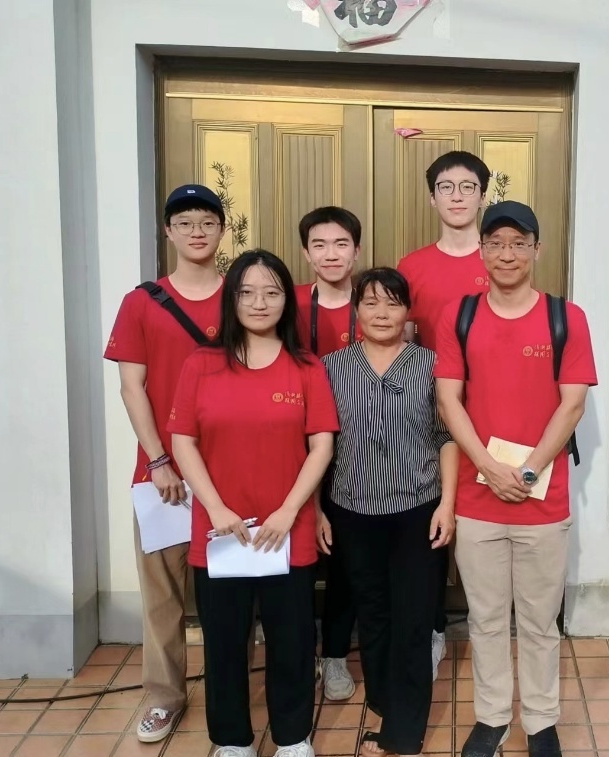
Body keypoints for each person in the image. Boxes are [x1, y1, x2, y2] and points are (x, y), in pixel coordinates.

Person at [435, 202, 597, 757]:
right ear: (482, 251)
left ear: (536, 250)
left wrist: (526, 472)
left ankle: (542, 720)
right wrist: (487, 466)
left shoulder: (565, 317)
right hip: (478, 498)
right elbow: (448, 400)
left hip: (543, 500)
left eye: (519, 243)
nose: (507, 254)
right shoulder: (459, 315)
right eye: (496, 243)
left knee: (538, 620)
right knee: (484, 618)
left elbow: (572, 406)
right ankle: (492, 717)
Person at [169, 250, 339, 757]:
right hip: (222, 532)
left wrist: (288, 511)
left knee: (292, 641)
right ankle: (232, 741)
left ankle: (292, 738)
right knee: (224, 643)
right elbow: (183, 442)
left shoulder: (306, 367)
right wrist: (216, 508)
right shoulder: (201, 364)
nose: (259, 302)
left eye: (271, 292)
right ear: (232, 299)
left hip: (288, 530)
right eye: (246, 292)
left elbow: (322, 446)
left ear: (287, 300)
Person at [104, 184, 226, 743]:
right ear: (168, 231)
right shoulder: (142, 302)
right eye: (185, 222)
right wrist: (158, 459)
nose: (197, 231)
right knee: (162, 596)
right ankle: (163, 697)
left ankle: (230, 694)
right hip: (164, 477)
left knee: (231, 592)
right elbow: (132, 387)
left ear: (222, 230)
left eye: (207, 221)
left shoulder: (242, 296)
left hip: (230, 473)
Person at [321, 267, 458, 757]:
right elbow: (317, 444)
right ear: (355, 309)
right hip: (351, 509)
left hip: (417, 509)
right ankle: (382, 698)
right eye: (371, 302)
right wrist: (317, 511)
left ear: (408, 311)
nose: (382, 313)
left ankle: (404, 731)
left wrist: (448, 503)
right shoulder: (330, 367)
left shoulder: (431, 365)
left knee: (414, 617)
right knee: (373, 612)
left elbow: (447, 436)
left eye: (393, 303)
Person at [397, 150, 492, 679]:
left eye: (467, 187)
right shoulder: (412, 266)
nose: (457, 197)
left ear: (483, 196)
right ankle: (433, 629)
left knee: (485, 527)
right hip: (429, 422)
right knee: (432, 526)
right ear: (432, 197)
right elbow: (404, 342)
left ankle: (488, 632)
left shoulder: (498, 257)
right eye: (447, 187)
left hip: (493, 418)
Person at [295, 206, 363, 702]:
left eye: (341, 244)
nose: (331, 254)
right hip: (297, 441)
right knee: (302, 552)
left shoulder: (377, 300)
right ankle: (303, 654)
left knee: (344, 557)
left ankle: (336, 653)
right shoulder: (288, 302)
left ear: (356, 251)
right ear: (306, 253)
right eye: (319, 245)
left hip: (363, 447)